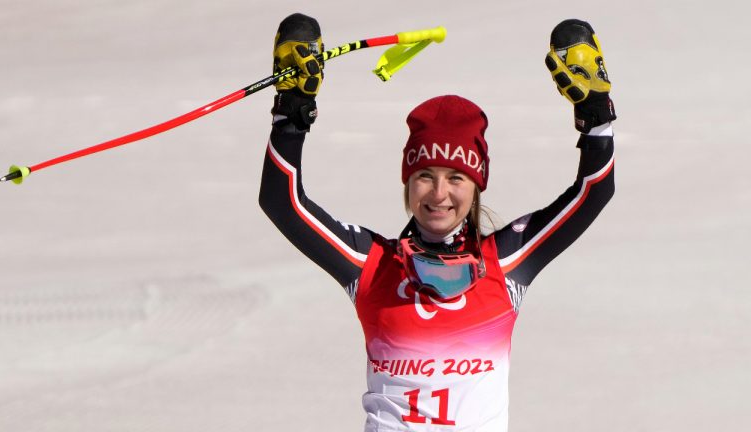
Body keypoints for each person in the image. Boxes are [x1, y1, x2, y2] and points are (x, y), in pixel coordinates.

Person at [259, 13, 615, 432]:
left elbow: (593, 192)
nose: (439, 194)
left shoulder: (506, 261)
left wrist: (595, 116)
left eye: (456, 178)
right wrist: (292, 114)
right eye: (425, 176)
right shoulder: (371, 264)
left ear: (477, 185)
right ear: (408, 181)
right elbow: (281, 202)